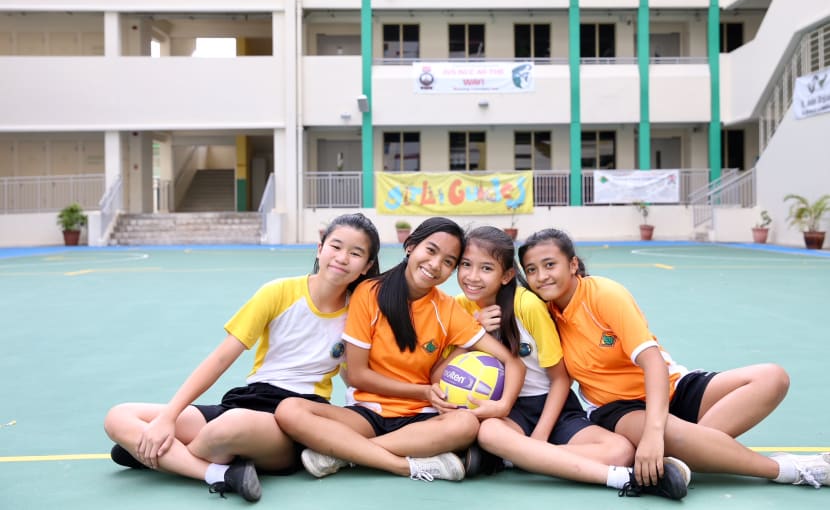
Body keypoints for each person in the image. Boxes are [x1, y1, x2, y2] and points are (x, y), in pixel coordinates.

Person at [517, 227, 830, 491]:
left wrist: (653, 436)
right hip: (618, 410)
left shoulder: (604, 295)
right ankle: (788, 469)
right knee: (676, 432)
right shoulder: (542, 312)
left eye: (549, 265)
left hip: (671, 387)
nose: (541, 276)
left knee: (772, 377)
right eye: (532, 270)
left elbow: (652, 361)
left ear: (572, 265)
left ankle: (687, 452)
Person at [103, 213, 381, 502]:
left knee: (229, 427)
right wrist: (168, 417)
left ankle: (152, 453)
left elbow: (355, 375)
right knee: (118, 417)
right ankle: (220, 474)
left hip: (293, 420)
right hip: (247, 399)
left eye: (356, 253)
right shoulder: (278, 291)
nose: (342, 257)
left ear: (367, 266)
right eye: (335, 246)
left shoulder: (358, 315)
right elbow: (221, 358)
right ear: (319, 248)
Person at [275, 216, 526, 482]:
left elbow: (514, 363)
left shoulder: (447, 308)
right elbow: (358, 375)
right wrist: (423, 391)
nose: (435, 265)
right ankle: (408, 466)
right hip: (368, 414)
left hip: (423, 418)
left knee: (465, 424)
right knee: (290, 410)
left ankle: (345, 454)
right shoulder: (369, 293)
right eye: (430, 250)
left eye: (448, 262)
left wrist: (502, 405)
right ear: (410, 247)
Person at [451, 226, 688, 499]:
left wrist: (538, 437)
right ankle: (623, 478)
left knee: (621, 450)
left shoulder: (527, 305)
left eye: (486, 268)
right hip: (510, 410)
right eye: (465, 265)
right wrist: (472, 331)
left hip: (552, 404)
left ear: (507, 275)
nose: (472, 276)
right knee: (490, 432)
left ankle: (510, 458)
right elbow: (443, 369)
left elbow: (561, 378)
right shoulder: (461, 307)